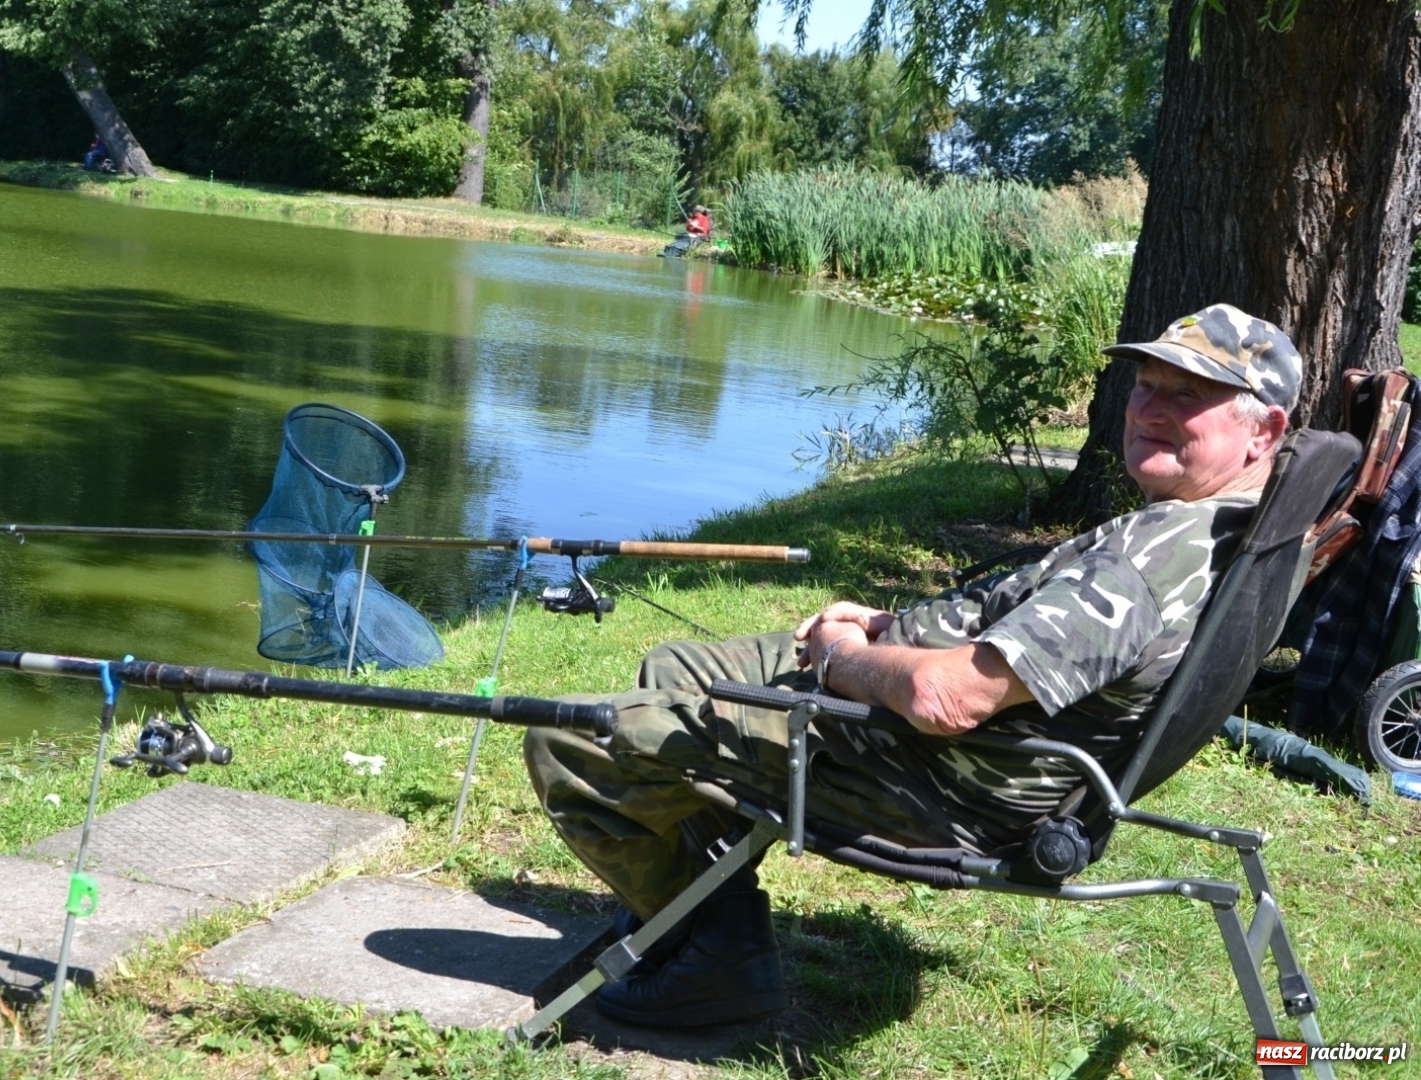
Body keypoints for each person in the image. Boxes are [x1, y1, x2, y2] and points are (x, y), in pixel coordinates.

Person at [524, 303, 1300, 1028]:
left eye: (1187, 395)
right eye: (1146, 385)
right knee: (675, 665)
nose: (1147, 409)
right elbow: (1022, 641)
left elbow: (944, 699)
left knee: (573, 740)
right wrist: (892, 626)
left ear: (1262, 431)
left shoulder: (1146, 565)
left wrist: (842, 657)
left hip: (936, 777)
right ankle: (693, 914)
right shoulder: (1231, 523)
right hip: (949, 737)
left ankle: (716, 963)